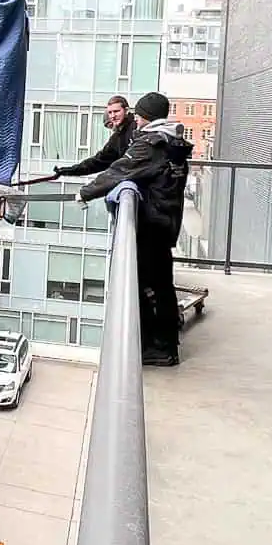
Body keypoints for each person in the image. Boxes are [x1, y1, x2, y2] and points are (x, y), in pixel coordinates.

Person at [77, 92, 191, 367]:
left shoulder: (151, 144)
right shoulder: (172, 142)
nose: (135, 119)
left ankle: (161, 348)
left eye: (138, 114)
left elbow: (120, 170)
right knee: (161, 283)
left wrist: (85, 192)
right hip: (167, 221)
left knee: (147, 284)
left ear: (145, 116)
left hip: (152, 223)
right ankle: (165, 344)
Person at [53, 95, 135, 179]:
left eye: (116, 111)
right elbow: (99, 161)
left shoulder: (136, 128)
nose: (113, 116)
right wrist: (68, 170)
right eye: (110, 112)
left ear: (126, 110)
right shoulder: (117, 136)